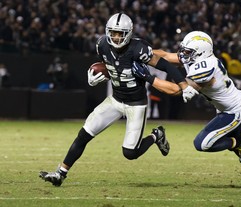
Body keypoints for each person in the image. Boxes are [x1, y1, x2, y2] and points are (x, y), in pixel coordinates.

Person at [39, 13, 198, 186]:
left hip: (136, 104)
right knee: (84, 134)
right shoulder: (102, 45)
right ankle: (60, 173)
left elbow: (166, 65)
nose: (115, 37)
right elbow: (111, 66)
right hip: (114, 100)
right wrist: (100, 76)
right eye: (113, 33)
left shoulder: (139, 49)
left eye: (119, 33)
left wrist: (184, 85)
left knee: (130, 153)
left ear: (128, 33)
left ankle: (156, 135)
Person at [132, 31, 241, 189]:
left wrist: (148, 77)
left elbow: (176, 90)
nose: (183, 54)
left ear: (200, 52)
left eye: (188, 52)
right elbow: (165, 55)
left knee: (203, 143)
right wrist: (143, 52)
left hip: (235, 111)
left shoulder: (205, 68)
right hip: (226, 110)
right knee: (233, 146)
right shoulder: (197, 57)